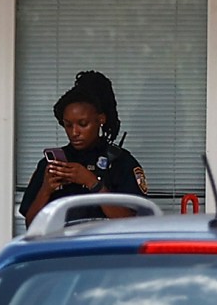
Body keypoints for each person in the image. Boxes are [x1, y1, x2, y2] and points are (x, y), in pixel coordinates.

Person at [19, 70, 149, 223]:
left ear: (101, 119)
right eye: (68, 125)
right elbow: (31, 224)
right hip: (63, 245)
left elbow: (134, 223)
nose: (75, 132)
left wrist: (93, 183)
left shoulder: (120, 162)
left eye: (83, 124)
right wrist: (46, 190)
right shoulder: (54, 164)